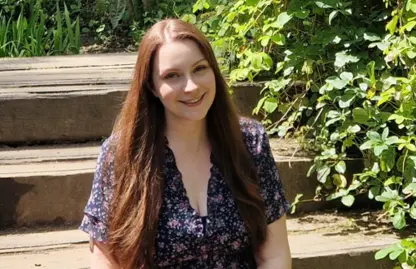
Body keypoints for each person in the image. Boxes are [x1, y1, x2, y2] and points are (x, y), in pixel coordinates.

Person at [79, 18, 292, 269]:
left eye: (200, 69)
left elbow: (274, 255)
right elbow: (106, 261)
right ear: (152, 87)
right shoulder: (121, 154)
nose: (191, 86)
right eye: (172, 76)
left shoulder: (250, 142)